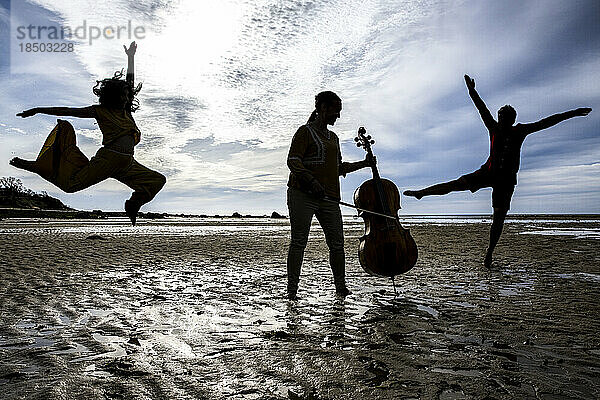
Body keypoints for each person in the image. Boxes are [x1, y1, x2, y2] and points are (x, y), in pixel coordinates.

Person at [404, 74, 591, 267]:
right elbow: (481, 109)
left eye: (504, 117)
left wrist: (574, 113)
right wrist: (472, 91)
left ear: (511, 119)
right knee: (456, 184)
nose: (501, 119)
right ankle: (422, 193)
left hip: (506, 181)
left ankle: (489, 253)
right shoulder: (493, 127)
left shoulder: (519, 131)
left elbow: (547, 122)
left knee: (498, 219)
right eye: (500, 116)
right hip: (488, 172)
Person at [10, 41, 165, 225]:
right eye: (122, 96)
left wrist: (130, 57)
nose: (126, 98)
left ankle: (133, 204)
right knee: (71, 186)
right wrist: (38, 109)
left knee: (157, 180)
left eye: (126, 96)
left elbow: (129, 85)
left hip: (127, 163)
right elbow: (68, 110)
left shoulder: (126, 112)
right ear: (113, 96)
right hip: (107, 160)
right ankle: (37, 166)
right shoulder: (100, 111)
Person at [286, 91, 375, 300]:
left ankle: (340, 287)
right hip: (301, 194)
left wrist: (365, 163)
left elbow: (338, 168)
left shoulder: (333, 138)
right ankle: (292, 290)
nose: (338, 116)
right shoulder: (304, 132)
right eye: (336, 111)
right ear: (323, 108)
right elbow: (293, 161)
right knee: (299, 241)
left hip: (330, 199)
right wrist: (311, 181)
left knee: (337, 243)